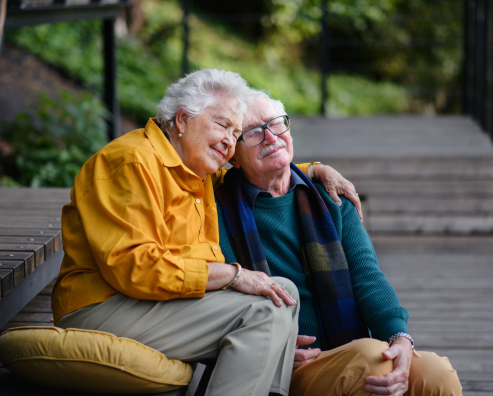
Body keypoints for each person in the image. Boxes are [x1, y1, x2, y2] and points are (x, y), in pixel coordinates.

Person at [51, 69, 361, 396]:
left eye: (236, 132)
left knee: (279, 292)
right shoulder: (130, 163)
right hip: (103, 305)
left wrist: (314, 170)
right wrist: (232, 275)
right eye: (222, 125)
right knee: (265, 308)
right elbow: (135, 268)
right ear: (183, 119)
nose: (229, 141)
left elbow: (260, 169)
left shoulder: (198, 175)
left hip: (153, 302)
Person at [214, 90, 463, 396]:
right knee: (371, 361)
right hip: (287, 366)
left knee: (439, 376)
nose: (270, 137)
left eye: (276, 123)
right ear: (233, 158)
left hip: (349, 349)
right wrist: (265, 351)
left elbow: (368, 277)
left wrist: (400, 338)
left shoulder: (329, 196)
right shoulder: (218, 210)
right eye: (252, 133)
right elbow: (223, 298)